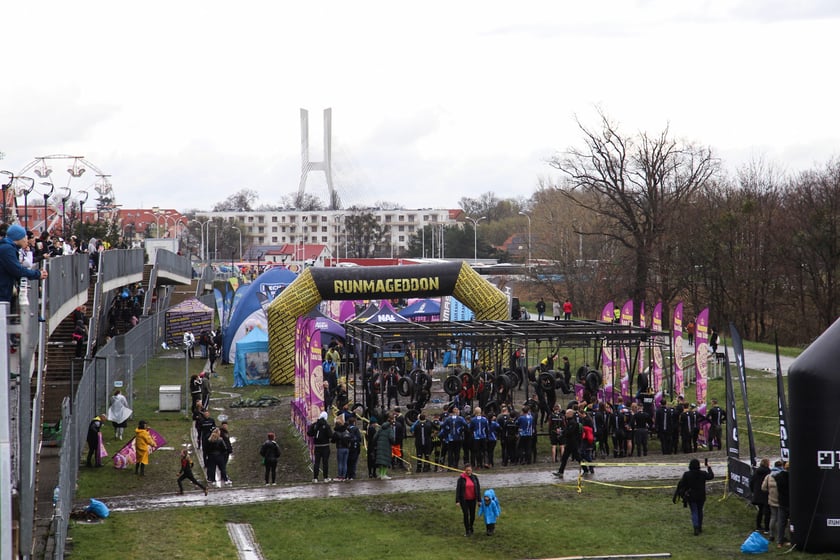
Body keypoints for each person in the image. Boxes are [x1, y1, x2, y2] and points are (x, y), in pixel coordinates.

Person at [0, 224, 48, 305]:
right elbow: (17, 270)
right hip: (2, 295)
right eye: (25, 237)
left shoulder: (7, 248)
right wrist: (37, 274)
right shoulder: (7, 249)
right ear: (19, 238)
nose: (26, 240)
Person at [673, 457, 714, 535]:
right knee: (700, 511)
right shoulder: (703, 473)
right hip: (701, 496)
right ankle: (700, 527)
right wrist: (709, 467)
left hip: (691, 496)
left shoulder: (687, 474)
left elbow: (682, 484)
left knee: (694, 511)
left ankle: (696, 528)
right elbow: (711, 476)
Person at [455, 463, 481, 537]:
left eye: (469, 470)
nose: (468, 472)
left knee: (472, 515)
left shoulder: (475, 478)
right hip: (464, 500)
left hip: (473, 499)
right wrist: (457, 501)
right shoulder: (461, 479)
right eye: (467, 470)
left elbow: (478, 489)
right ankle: (467, 530)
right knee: (466, 514)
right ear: (464, 470)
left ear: (471, 470)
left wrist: (479, 500)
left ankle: (471, 527)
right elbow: (458, 490)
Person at [308, 410, 333, 483]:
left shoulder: (315, 424)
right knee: (325, 462)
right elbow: (330, 435)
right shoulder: (326, 425)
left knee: (317, 462)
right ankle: (325, 478)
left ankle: (315, 478)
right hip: (325, 446)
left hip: (317, 446)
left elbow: (309, 433)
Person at [750, 458, 771, 534]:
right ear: (767, 464)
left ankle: (758, 526)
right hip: (766, 494)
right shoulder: (768, 472)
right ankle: (766, 528)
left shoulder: (756, 472)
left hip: (758, 494)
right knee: (767, 512)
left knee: (760, 511)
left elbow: (751, 482)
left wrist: (753, 491)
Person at [373, 411, 395, 480]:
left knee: (380, 461)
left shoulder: (381, 428)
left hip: (380, 446)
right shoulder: (390, 429)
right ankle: (383, 474)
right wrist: (393, 442)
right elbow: (392, 438)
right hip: (386, 447)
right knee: (385, 461)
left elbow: (375, 437)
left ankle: (380, 474)